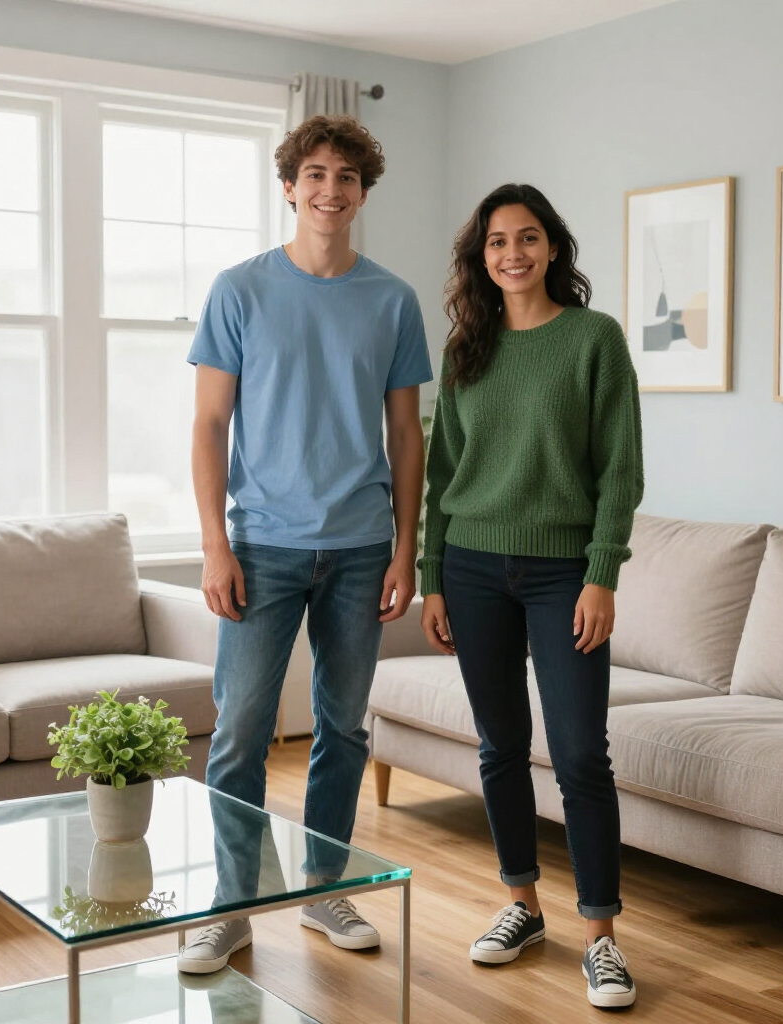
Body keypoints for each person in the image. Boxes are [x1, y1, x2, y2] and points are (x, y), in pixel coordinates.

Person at [179, 114, 432, 974]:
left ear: (364, 193)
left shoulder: (391, 299)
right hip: (263, 547)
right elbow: (210, 426)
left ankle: (324, 886)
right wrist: (215, 547)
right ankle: (233, 906)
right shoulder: (240, 289)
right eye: (315, 174)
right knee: (242, 731)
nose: (331, 190)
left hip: (362, 547)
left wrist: (407, 550)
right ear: (289, 187)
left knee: (342, 729)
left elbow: (407, 433)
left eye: (347, 178)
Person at [418, 184, 643, 1009]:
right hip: (473, 567)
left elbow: (620, 468)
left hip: (560, 576)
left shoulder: (594, 339)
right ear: (480, 258)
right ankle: (522, 903)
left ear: (553, 248)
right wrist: (433, 576)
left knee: (581, 752)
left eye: (528, 238)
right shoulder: (466, 348)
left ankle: (602, 937)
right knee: (499, 744)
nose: (511, 253)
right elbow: (444, 473)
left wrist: (601, 574)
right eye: (496, 242)